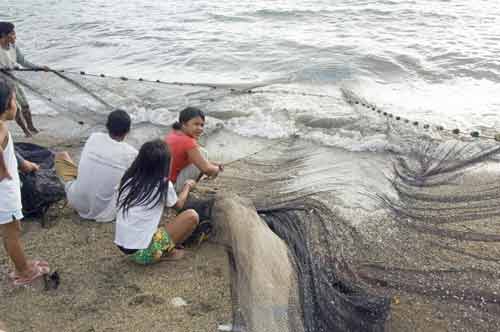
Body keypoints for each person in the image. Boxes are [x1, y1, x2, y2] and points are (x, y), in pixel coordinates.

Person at [114, 139, 199, 265]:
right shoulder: (162, 185)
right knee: (191, 216)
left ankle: (159, 248)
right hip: (143, 254)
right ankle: (166, 253)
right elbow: (178, 205)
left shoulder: (128, 179)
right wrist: (187, 186)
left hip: (123, 245)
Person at [0, 77, 49, 286]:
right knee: (13, 234)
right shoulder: (0, 129)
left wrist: (22, 164)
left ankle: (21, 266)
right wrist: (4, 173)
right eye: (13, 100)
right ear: (4, 105)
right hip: (4, 192)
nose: (16, 104)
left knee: (9, 230)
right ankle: (24, 271)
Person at [55, 109, 137, 222]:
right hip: (103, 212)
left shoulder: (94, 137)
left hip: (75, 202)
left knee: (62, 156)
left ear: (107, 126)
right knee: (130, 179)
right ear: (127, 131)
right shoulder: (131, 153)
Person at [0, 22, 50, 137]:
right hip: (2, 86)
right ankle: (25, 131)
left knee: (25, 105)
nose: (15, 36)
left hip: (14, 81)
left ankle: (31, 126)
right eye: (12, 34)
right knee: (14, 108)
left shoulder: (13, 47)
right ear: (3, 34)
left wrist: (39, 67)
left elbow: (23, 62)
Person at [165, 107, 223, 192]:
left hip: (165, 184)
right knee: (203, 153)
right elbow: (206, 170)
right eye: (196, 124)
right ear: (184, 124)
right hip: (173, 187)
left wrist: (213, 164)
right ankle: (187, 188)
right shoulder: (188, 141)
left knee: (201, 152)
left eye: (202, 125)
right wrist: (217, 169)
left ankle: (189, 185)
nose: (200, 128)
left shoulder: (173, 134)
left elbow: (189, 158)